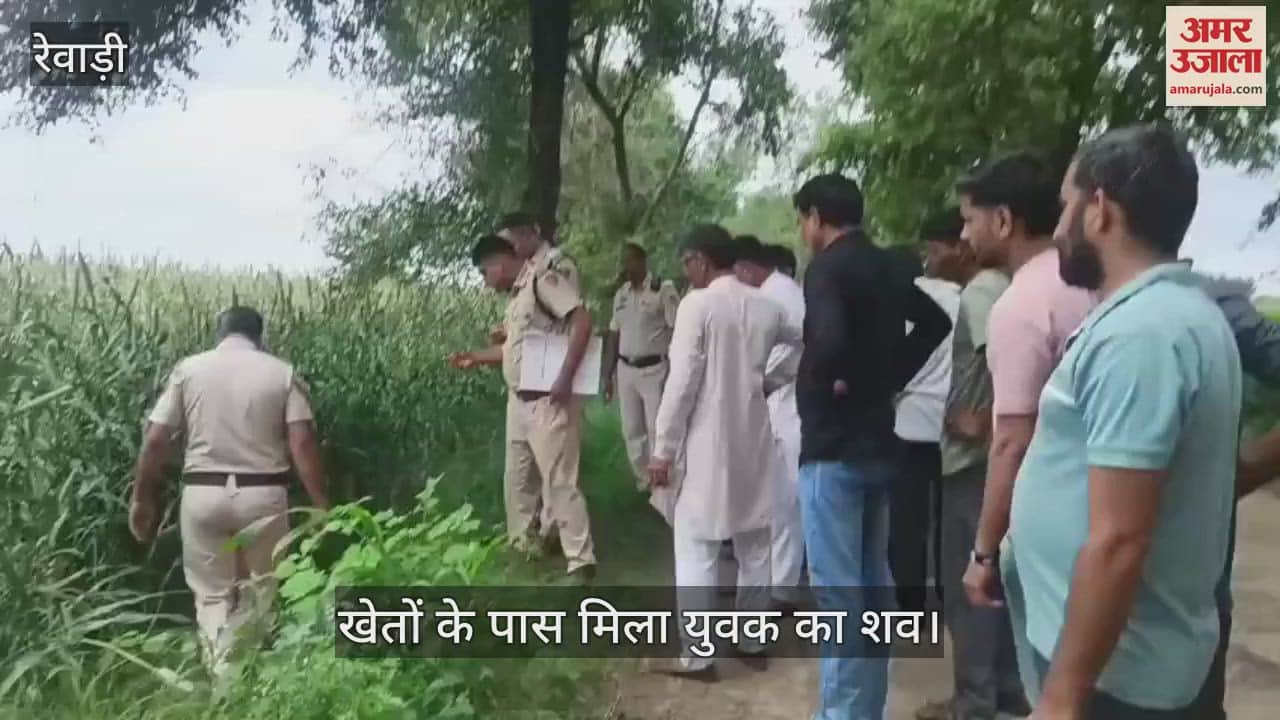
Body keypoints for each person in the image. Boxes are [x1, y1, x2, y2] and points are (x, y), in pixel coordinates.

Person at [998, 124, 1241, 718]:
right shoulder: (1170, 315)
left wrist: (1061, 700)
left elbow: (1119, 541)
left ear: (1099, 210)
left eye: (1066, 207)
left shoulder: (1143, 336)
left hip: (1117, 679)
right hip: (1117, 663)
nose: (1058, 229)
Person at [793, 173, 952, 720]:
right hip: (881, 443)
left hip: (832, 447)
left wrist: (833, 381)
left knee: (840, 596)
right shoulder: (888, 265)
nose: (804, 230)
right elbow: (934, 322)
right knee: (872, 589)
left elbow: (829, 340)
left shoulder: (826, 268)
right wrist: (886, 378)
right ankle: (865, 710)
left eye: (803, 219)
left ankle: (841, 714)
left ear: (816, 218)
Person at [128, 306, 331, 675]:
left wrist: (142, 498)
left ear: (220, 334)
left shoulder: (188, 370)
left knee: (212, 597)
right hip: (263, 496)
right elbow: (302, 443)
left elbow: (155, 440)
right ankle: (241, 678)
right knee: (261, 591)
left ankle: (223, 677)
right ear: (259, 336)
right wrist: (322, 505)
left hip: (203, 495)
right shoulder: (281, 373)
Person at [648, 224, 802, 680]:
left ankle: (698, 656)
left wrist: (662, 449)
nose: (686, 272)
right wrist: (770, 381)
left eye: (687, 262)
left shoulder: (697, 305)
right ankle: (752, 642)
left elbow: (682, 383)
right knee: (755, 544)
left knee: (697, 546)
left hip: (706, 441)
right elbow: (806, 342)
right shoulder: (768, 306)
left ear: (700, 259)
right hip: (754, 435)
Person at [958, 153, 1096, 618]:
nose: (964, 236)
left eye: (969, 221)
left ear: (1002, 221)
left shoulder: (1022, 304)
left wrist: (983, 552)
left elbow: (1012, 441)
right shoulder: (1095, 284)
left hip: (1054, 525)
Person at [912, 208, 1027, 720]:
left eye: (935, 248)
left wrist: (982, 418)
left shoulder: (980, 294)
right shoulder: (1006, 287)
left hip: (970, 464)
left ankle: (974, 703)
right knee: (998, 583)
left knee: (969, 587)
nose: (930, 259)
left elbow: (1005, 356)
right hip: (990, 463)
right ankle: (1005, 694)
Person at [450, 222, 597, 583]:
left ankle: (581, 561)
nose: (486, 282)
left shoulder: (542, 281)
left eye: (484, 273)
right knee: (517, 481)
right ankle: (524, 547)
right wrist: (475, 357)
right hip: (518, 402)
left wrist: (565, 377)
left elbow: (582, 320)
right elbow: (513, 350)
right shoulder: (517, 297)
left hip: (547, 401)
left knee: (559, 481)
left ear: (499, 262)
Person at [733, 234, 807, 610]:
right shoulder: (775, 292)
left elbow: (800, 345)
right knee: (779, 499)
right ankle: (778, 582)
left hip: (788, 406)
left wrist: (764, 380)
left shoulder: (780, 294)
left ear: (746, 268)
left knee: (787, 498)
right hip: (777, 406)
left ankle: (784, 586)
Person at [887, 245, 959, 614]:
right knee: (950, 518)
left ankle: (909, 602)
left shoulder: (900, 302)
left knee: (906, 520)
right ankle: (950, 594)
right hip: (953, 421)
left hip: (908, 421)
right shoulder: (961, 298)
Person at [602, 242, 680, 504]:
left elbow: (677, 330)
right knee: (632, 430)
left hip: (654, 369)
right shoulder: (621, 295)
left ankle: (666, 485)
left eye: (629, 261)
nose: (625, 267)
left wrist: (678, 370)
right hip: (626, 370)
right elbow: (614, 333)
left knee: (658, 428)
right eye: (622, 262)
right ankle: (646, 483)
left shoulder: (662, 290)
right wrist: (607, 375)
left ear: (642, 261)